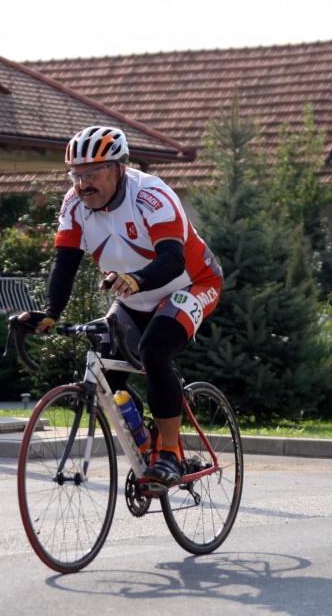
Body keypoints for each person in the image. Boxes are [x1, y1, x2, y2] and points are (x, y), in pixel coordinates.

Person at [21, 125, 223, 486]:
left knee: (155, 350)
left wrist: (137, 279)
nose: (82, 185)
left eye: (92, 173)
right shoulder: (74, 205)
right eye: (76, 174)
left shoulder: (151, 194)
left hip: (191, 284)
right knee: (107, 367)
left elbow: (173, 259)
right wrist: (50, 312)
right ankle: (144, 441)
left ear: (118, 168)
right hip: (133, 296)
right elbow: (64, 263)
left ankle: (170, 454)